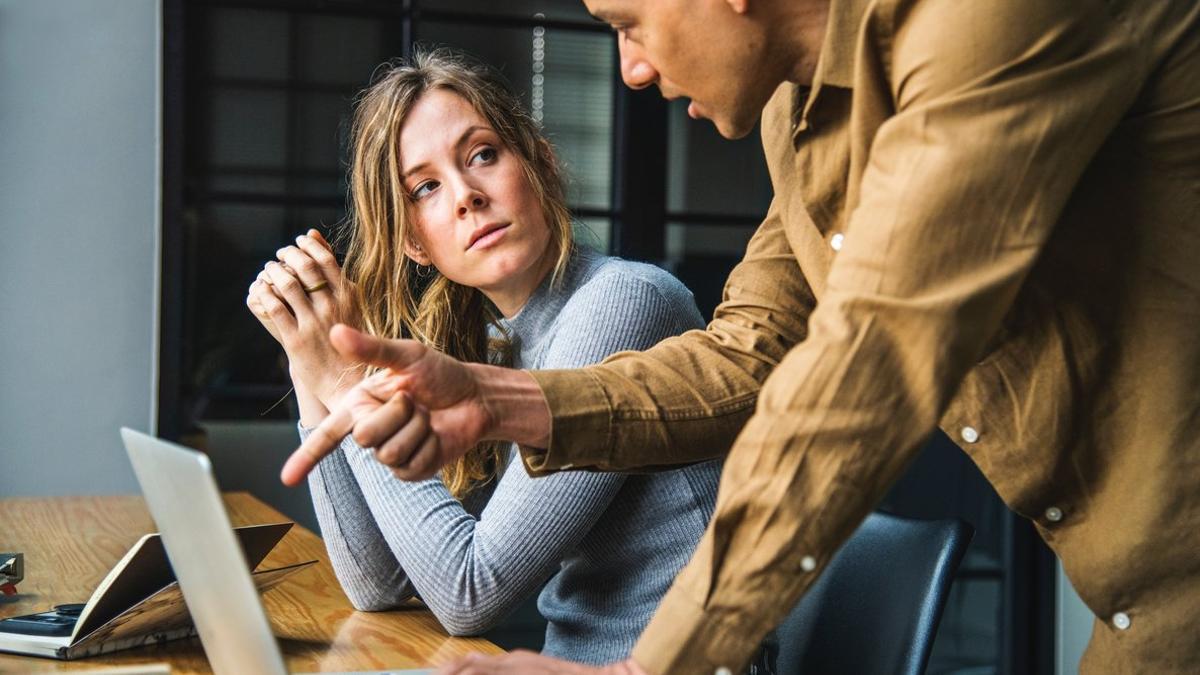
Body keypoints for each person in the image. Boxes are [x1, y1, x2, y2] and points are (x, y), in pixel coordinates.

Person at [285, 0, 1200, 673]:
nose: (632, 70)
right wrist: (491, 399)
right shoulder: (795, 119)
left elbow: (868, 365)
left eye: (627, 23)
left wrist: (647, 672)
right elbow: (747, 355)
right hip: (1134, 609)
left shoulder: (983, 23)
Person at [246, 49, 732, 666]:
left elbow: (469, 592)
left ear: (541, 163)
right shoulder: (499, 344)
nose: (466, 196)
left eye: (482, 155)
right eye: (426, 188)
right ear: (414, 244)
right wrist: (306, 353)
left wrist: (345, 380)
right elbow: (382, 586)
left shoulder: (622, 303)